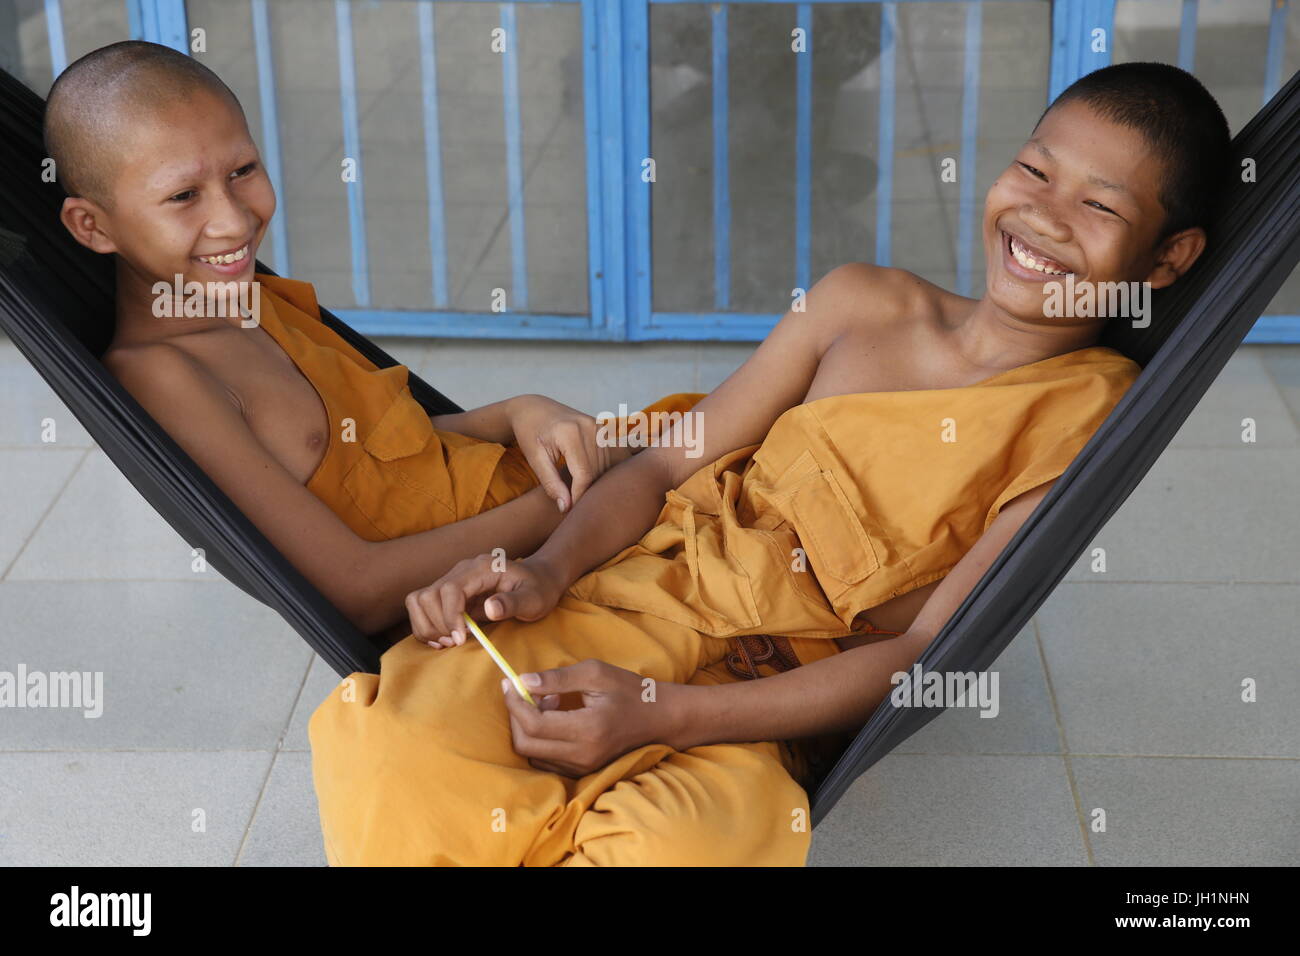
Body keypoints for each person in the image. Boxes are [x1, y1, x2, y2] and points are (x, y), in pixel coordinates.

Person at [308, 61, 1231, 865]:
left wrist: (662, 713)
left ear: (1166, 259)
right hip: (631, 600)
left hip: (757, 704)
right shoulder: (860, 302)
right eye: (1034, 169)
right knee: (392, 747)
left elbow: (918, 655)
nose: (1043, 214)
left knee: (690, 846)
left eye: (1099, 205)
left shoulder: (1082, 418)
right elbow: (665, 470)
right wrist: (548, 571)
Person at [43, 40, 698, 641]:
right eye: (184, 194)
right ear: (93, 227)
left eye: (243, 170)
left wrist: (517, 411)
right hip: (521, 574)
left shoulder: (248, 300)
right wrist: (571, 505)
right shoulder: (163, 376)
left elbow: (394, 450)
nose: (234, 218)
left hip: (553, 495)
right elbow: (353, 591)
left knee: (758, 425)